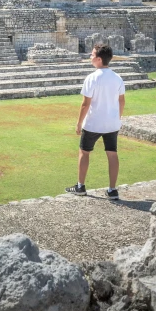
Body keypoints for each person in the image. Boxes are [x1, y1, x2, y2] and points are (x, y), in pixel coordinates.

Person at [65, 43, 125, 200]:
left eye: (92, 55)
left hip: (93, 123)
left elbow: (85, 104)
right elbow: (122, 101)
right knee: (112, 153)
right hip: (112, 123)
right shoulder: (117, 78)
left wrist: (79, 123)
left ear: (99, 59)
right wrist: (117, 117)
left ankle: (80, 186)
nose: (90, 57)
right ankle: (112, 190)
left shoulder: (92, 78)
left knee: (84, 152)